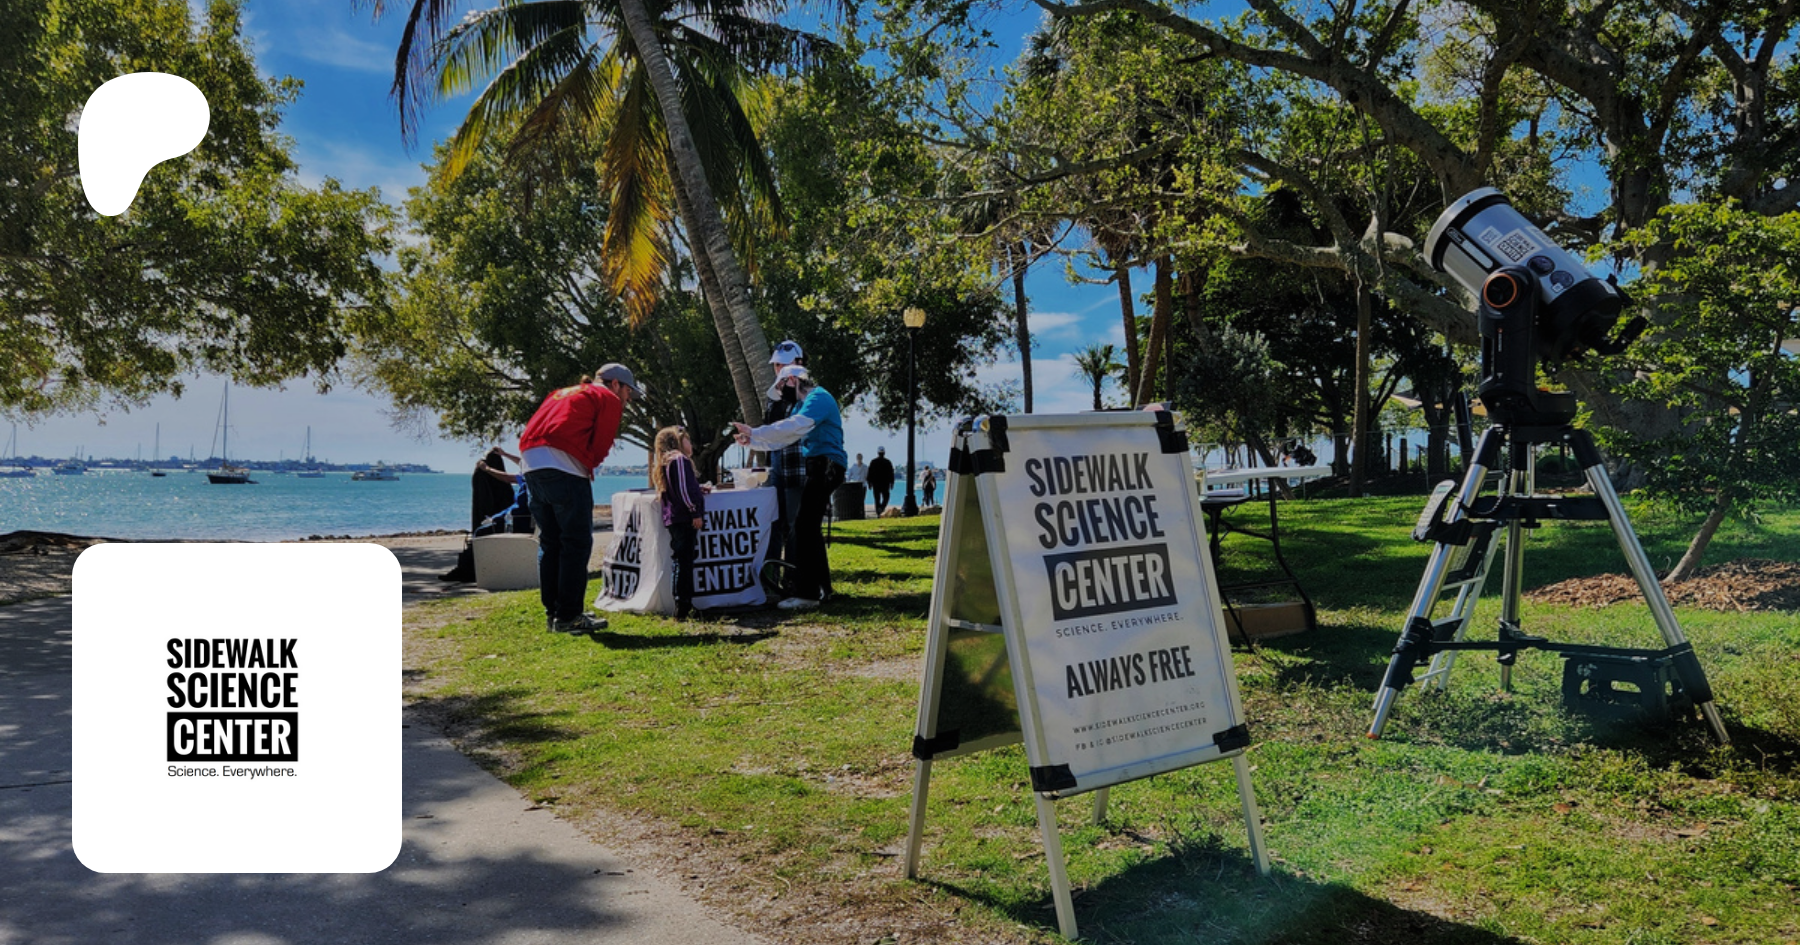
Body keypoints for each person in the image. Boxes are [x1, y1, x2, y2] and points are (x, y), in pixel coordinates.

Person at [519, 363, 642, 633]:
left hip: (531, 465)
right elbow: (601, 444)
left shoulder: (562, 393)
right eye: (627, 393)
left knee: (550, 542)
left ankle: (554, 613)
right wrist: (589, 464)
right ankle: (569, 615)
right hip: (564, 467)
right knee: (576, 543)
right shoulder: (607, 397)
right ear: (615, 384)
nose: (627, 400)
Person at [731, 365, 845, 611]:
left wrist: (754, 432)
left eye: (782, 387)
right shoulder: (803, 405)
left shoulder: (818, 398)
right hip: (822, 465)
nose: (781, 394)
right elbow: (785, 438)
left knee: (804, 526)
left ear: (792, 379)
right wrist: (753, 441)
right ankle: (821, 588)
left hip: (826, 465)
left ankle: (807, 594)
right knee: (808, 527)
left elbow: (793, 427)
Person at [440, 446, 522, 583]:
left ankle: (468, 569)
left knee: (479, 533)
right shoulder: (511, 490)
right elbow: (520, 468)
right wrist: (505, 454)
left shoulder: (524, 480)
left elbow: (508, 478)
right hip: (513, 518)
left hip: (512, 521)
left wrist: (487, 469)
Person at [762, 339, 808, 570]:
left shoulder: (806, 393)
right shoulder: (774, 395)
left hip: (797, 466)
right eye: (777, 365)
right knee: (773, 522)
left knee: (793, 523)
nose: (779, 369)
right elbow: (769, 430)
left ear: (799, 363)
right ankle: (771, 576)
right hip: (776, 464)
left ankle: (793, 577)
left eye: (784, 364)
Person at [651, 425, 705, 620]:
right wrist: (694, 511)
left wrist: (698, 489)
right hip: (683, 518)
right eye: (687, 440)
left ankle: (681, 605)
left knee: (680, 560)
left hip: (674, 518)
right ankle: (683, 606)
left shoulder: (666, 461)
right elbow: (683, 489)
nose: (690, 444)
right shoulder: (679, 459)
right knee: (684, 561)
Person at [866, 446, 896, 516]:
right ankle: (881, 508)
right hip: (885, 484)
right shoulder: (888, 462)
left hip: (876, 483)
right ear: (884, 453)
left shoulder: (873, 462)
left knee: (877, 498)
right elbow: (891, 473)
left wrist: (869, 483)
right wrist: (892, 483)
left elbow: (870, 473)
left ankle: (878, 511)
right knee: (886, 497)